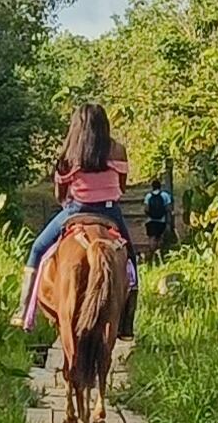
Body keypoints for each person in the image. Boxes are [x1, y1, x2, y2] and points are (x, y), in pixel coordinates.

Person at [18, 102, 132, 315]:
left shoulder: (69, 154)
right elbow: (122, 187)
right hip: (109, 211)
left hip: (76, 210)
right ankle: (127, 316)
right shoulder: (118, 150)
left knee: (37, 248)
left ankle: (24, 309)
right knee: (130, 259)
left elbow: (60, 195)